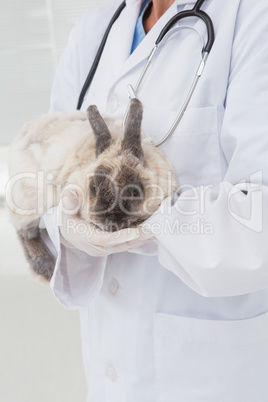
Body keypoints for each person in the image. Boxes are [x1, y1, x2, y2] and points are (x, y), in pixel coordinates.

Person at [39, 0, 268, 400]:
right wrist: (65, 225)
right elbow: (49, 171)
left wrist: (145, 220)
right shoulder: (94, 32)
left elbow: (260, 215)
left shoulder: (252, 17)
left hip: (212, 377)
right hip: (108, 371)